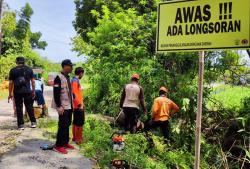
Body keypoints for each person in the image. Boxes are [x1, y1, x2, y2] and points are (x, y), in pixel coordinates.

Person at [52, 59, 75, 154]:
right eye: (70, 66)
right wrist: (59, 106)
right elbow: (56, 93)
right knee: (62, 125)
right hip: (63, 106)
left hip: (69, 105)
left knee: (67, 124)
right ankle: (58, 145)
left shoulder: (67, 77)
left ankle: (65, 142)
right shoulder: (58, 77)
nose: (72, 68)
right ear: (65, 66)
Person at [8, 57, 37, 130]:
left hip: (17, 92)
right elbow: (33, 81)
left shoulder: (13, 70)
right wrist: (33, 91)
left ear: (16, 62)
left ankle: (21, 125)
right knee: (29, 106)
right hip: (27, 91)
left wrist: (10, 93)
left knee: (18, 107)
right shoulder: (29, 69)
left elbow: (11, 82)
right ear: (24, 62)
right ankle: (33, 122)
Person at [71, 67, 85, 144]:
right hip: (78, 106)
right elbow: (74, 93)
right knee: (79, 122)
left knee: (75, 122)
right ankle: (78, 139)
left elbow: (77, 93)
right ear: (80, 73)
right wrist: (80, 104)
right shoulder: (75, 81)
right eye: (82, 74)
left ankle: (75, 137)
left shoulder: (74, 80)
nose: (82, 75)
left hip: (77, 105)